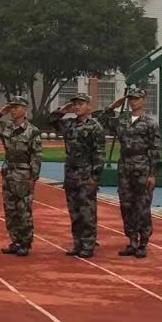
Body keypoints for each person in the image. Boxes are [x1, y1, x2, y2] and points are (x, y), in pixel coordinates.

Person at [100, 85, 162, 257]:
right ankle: (132, 241)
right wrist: (113, 106)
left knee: (142, 206)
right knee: (126, 205)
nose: (133, 102)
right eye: (131, 99)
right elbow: (101, 121)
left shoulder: (150, 123)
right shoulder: (122, 120)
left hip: (142, 167)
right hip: (125, 168)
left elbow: (156, 149)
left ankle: (143, 243)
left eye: (136, 98)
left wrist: (153, 175)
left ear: (144, 100)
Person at [50, 93, 108, 258]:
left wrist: (95, 177)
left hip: (86, 174)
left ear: (89, 106)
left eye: (80, 104)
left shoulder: (95, 127)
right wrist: (63, 109)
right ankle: (77, 244)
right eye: (75, 104)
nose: (77, 106)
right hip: (70, 173)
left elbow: (99, 154)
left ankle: (88, 245)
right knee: (74, 211)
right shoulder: (69, 124)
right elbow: (51, 120)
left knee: (87, 212)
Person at [0, 94, 42, 256]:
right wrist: (0, 113)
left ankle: (25, 243)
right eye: (11, 107)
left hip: (23, 175)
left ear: (24, 109)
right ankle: (16, 241)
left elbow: (36, 156)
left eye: (16, 107)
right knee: (10, 211)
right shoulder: (6, 127)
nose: (13, 110)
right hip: (8, 173)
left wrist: (33, 178)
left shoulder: (32, 131)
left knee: (24, 210)